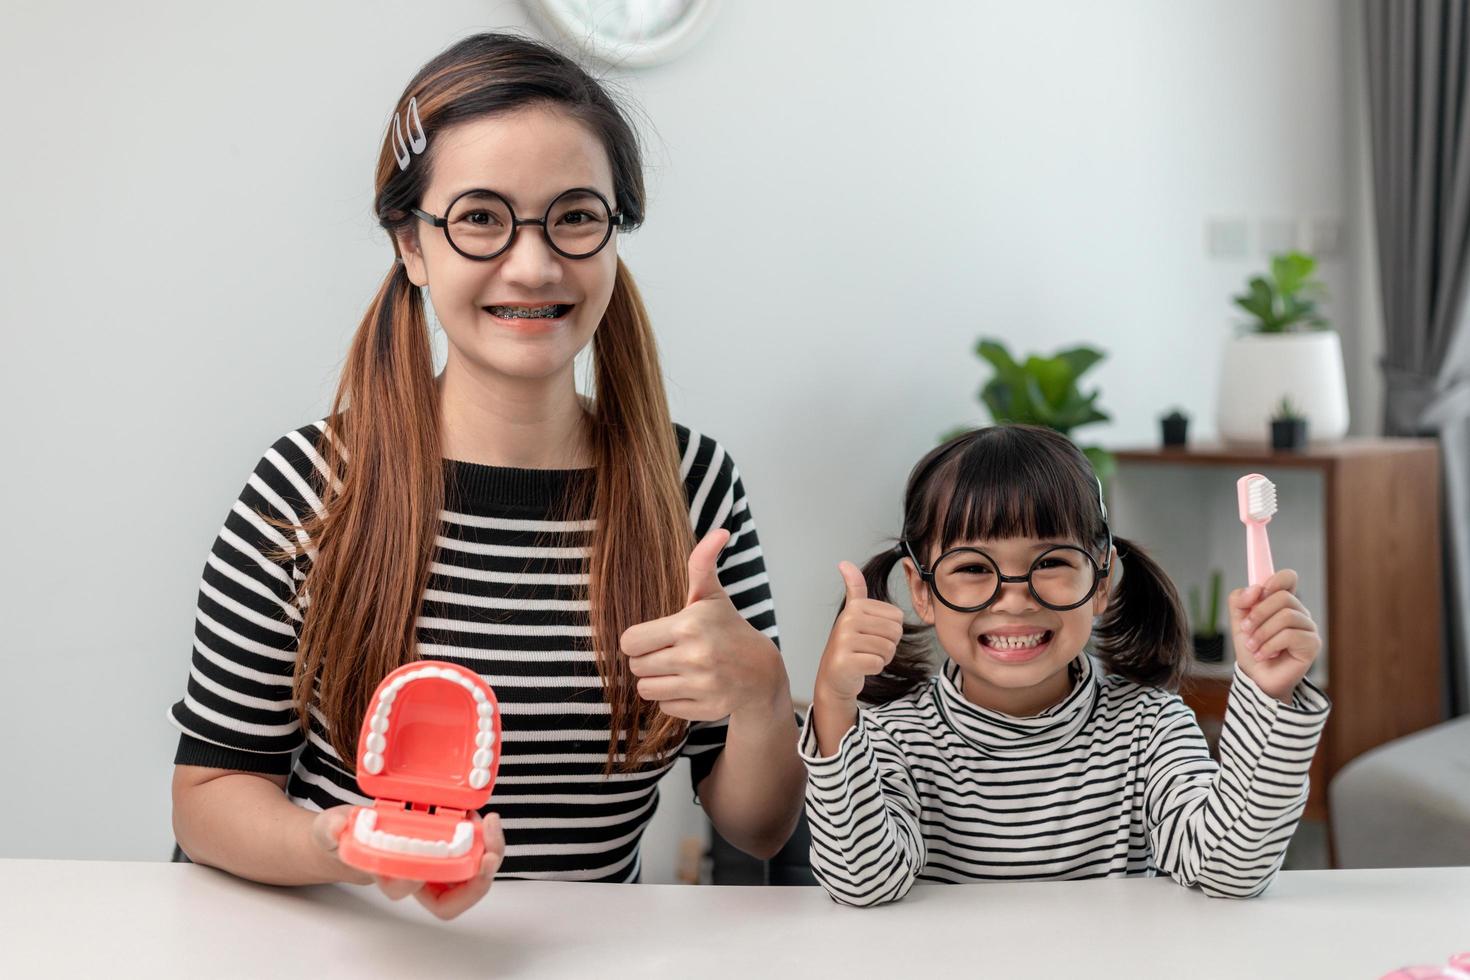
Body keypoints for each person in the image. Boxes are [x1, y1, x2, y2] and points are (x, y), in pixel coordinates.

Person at [169, 32, 804, 921]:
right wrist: (340, 844)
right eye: (479, 217)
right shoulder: (306, 488)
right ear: (412, 245)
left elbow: (759, 826)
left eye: (577, 216)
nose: (535, 264)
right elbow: (207, 798)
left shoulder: (692, 482)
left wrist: (762, 695)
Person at [802, 424, 1330, 907]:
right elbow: (863, 883)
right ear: (922, 591)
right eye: (970, 567)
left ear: (1100, 580)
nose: (1012, 599)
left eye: (1051, 562)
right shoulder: (892, 738)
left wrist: (1269, 698)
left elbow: (1228, 867)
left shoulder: (1150, 728)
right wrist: (833, 704)